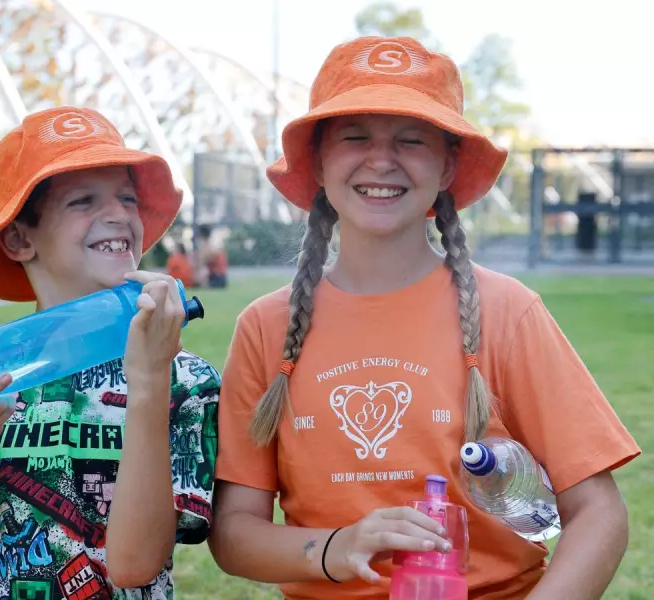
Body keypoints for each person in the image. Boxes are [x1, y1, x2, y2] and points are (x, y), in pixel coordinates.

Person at [208, 36, 640, 600]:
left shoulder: (508, 312)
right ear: (317, 161)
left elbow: (598, 512)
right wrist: (337, 547)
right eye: (354, 136)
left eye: (411, 140)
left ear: (448, 165)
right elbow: (234, 534)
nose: (381, 160)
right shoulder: (265, 327)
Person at [0, 106, 221, 600]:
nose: (118, 214)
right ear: (19, 238)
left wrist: (151, 383)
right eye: (83, 200)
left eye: (128, 197)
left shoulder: (185, 380)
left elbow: (135, 566)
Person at [195, 224, 228, 288]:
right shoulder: (214, 243)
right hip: (220, 277)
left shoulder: (208, 246)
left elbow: (202, 262)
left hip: (216, 278)